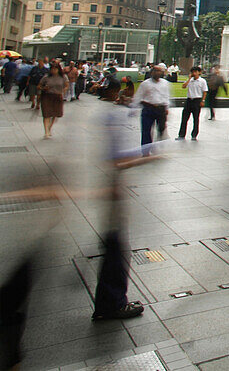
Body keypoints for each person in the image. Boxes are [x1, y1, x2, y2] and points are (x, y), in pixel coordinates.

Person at [92, 82, 153, 321]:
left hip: (107, 192)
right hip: (110, 193)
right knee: (116, 251)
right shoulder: (112, 119)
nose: (129, 98)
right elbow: (116, 161)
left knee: (114, 249)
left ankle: (111, 301)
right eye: (128, 94)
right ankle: (112, 304)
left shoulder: (106, 116)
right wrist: (149, 157)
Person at [133, 63, 170, 154]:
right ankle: (145, 150)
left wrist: (167, 108)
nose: (157, 73)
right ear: (152, 72)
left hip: (160, 108)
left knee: (161, 128)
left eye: (159, 71)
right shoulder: (145, 84)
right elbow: (138, 96)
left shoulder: (165, 83)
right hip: (148, 108)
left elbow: (166, 96)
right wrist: (134, 108)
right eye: (155, 71)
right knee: (146, 130)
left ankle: (157, 145)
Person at [177, 66, 208, 140]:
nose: (194, 73)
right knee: (184, 118)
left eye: (195, 72)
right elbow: (183, 86)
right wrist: (189, 79)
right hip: (189, 100)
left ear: (199, 72)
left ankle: (194, 135)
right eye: (192, 72)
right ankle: (181, 134)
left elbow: (205, 92)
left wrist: (203, 101)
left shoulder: (202, 81)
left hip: (197, 100)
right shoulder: (190, 80)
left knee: (196, 118)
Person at [38, 62, 67, 139]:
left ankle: (49, 127)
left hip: (57, 96)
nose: (53, 70)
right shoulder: (46, 77)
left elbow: (66, 85)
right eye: (52, 69)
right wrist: (43, 88)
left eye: (55, 69)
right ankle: (46, 131)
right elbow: (39, 86)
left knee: (55, 114)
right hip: (47, 96)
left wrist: (63, 91)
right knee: (46, 114)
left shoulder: (63, 77)